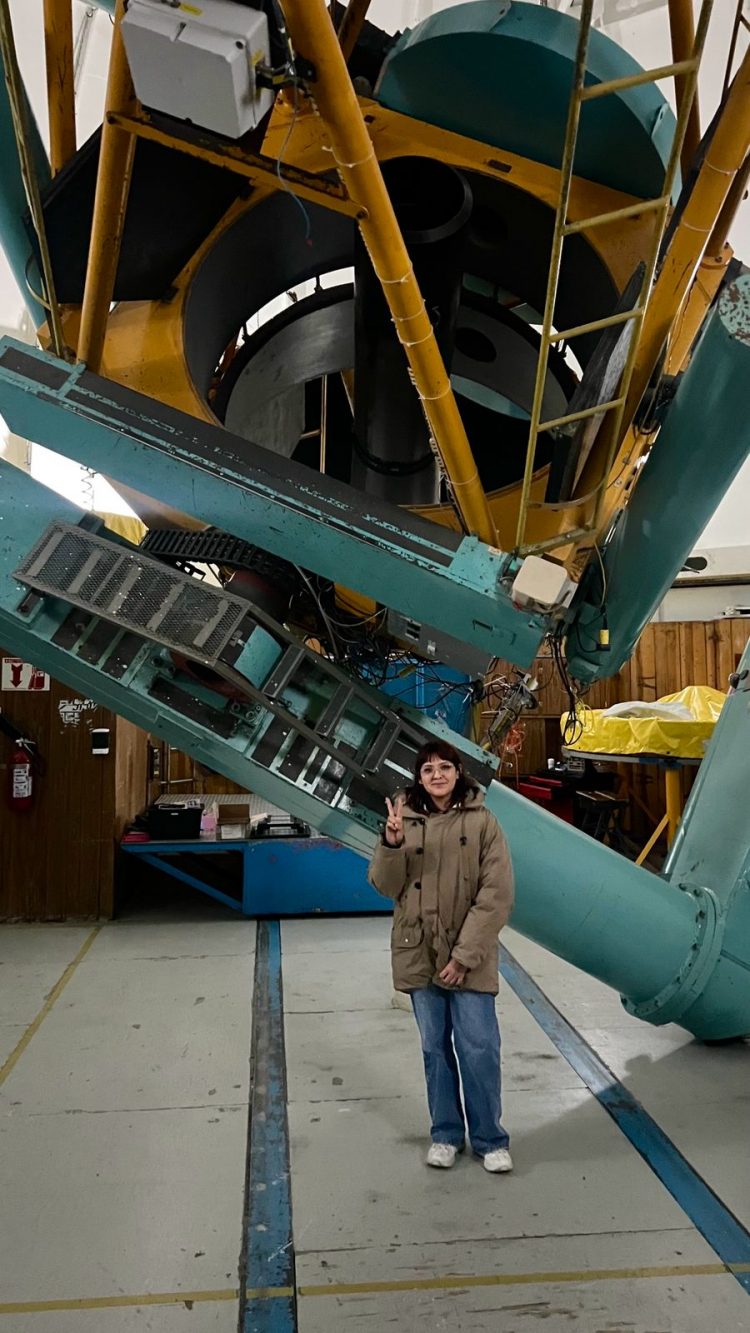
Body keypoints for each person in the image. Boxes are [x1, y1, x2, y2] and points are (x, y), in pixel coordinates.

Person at [369, 738, 514, 1173]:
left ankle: (490, 1140)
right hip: (418, 951)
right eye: (428, 769)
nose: (437, 775)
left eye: (445, 767)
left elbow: (496, 894)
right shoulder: (404, 821)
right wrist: (392, 842)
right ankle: (446, 1135)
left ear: (458, 772)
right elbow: (385, 885)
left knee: (479, 1047)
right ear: (419, 777)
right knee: (434, 1048)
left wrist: (464, 956)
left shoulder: (483, 822)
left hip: (469, 955)